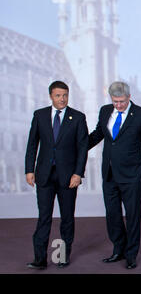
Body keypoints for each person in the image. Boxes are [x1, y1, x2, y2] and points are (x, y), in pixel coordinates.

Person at [88, 81, 141, 269]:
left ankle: (131, 254)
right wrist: (79, 147)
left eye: (121, 101)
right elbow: (97, 135)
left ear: (129, 97)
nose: (118, 105)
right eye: (115, 101)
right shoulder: (104, 111)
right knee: (112, 214)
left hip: (132, 174)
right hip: (109, 173)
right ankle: (118, 249)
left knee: (133, 215)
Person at [25, 80, 88, 269]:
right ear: (51, 96)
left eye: (65, 95)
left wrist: (78, 173)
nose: (62, 99)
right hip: (44, 175)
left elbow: (82, 148)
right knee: (44, 217)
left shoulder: (77, 117)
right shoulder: (40, 115)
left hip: (68, 177)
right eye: (58, 95)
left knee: (67, 217)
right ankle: (40, 259)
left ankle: (62, 256)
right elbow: (32, 145)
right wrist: (29, 169)